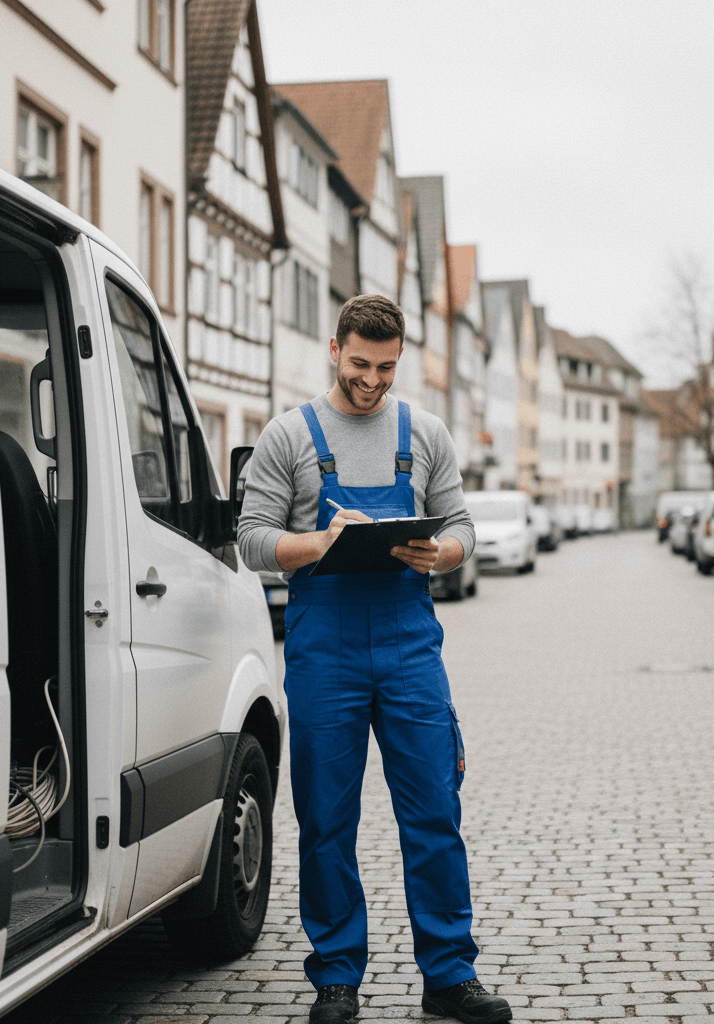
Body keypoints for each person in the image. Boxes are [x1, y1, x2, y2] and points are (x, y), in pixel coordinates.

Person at [237, 294, 511, 1024]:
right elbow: (254, 539)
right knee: (326, 817)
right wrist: (318, 545)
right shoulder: (289, 436)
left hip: (408, 643)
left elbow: (461, 528)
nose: (371, 380)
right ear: (334, 348)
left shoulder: (422, 432)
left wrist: (443, 551)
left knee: (434, 810)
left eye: (386, 367)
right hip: (325, 649)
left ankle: (450, 976)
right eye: (359, 364)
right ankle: (337, 978)